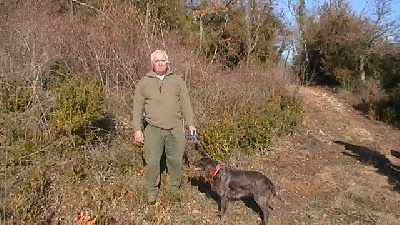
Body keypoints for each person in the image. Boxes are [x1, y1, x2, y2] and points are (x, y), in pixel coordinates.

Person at [132, 49, 197, 205]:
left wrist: (190, 124)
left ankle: (174, 190)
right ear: (152, 63)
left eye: (163, 60)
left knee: (175, 161)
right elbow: (137, 106)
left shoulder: (177, 80)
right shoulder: (144, 82)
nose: (160, 63)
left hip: (175, 128)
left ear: (167, 62)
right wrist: (137, 129)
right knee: (152, 162)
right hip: (153, 128)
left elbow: (185, 103)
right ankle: (151, 192)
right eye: (157, 61)